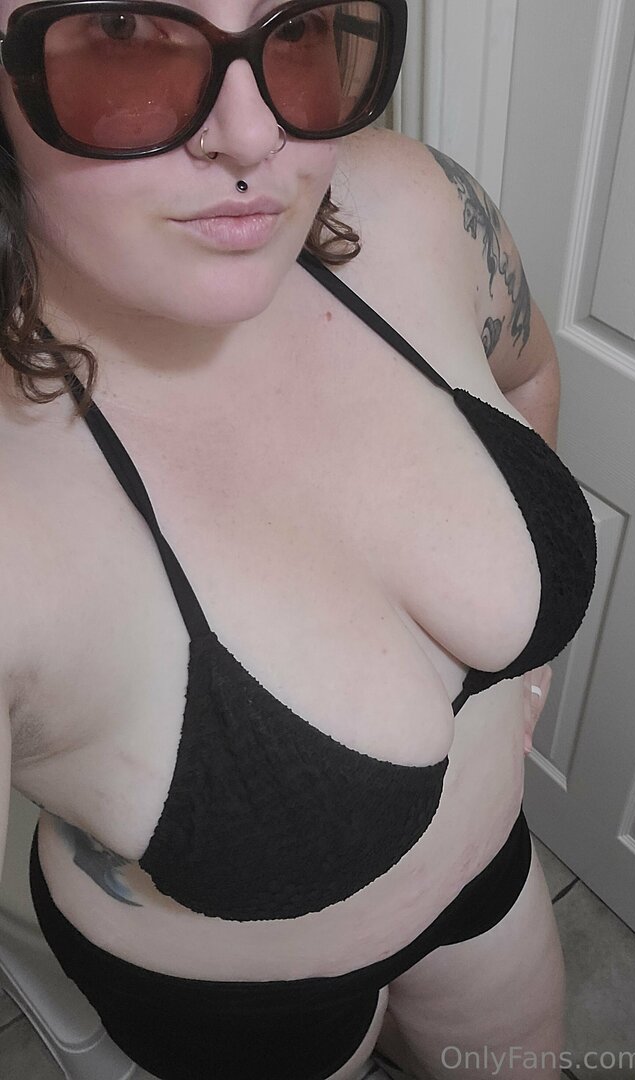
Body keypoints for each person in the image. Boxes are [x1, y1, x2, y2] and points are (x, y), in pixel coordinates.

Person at [0, 1, 597, 1078]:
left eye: (298, 25)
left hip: (487, 878)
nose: (253, 134)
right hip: (232, 1004)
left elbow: (528, 372)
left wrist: (519, 675)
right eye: (125, 32)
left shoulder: (412, 203)